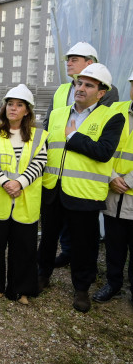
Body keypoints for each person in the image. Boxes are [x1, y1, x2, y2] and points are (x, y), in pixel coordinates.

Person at [38, 63, 124, 313]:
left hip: (84, 194)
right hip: (53, 188)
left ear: (101, 92)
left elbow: (104, 153)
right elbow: (45, 148)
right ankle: (42, 276)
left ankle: (82, 289)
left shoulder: (111, 117)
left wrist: (74, 138)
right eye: (79, 83)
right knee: (48, 239)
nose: (81, 88)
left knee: (84, 245)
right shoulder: (58, 114)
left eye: (89, 85)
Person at [43, 42, 119, 268]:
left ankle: (81, 279)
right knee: (50, 234)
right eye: (79, 83)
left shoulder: (108, 99)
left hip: (84, 183)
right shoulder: (61, 91)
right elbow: (49, 127)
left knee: (84, 238)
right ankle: (53, 265)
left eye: (74, 59)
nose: (69, 62)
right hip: (56, 181)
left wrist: (73, 136)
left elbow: (104, 142)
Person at [0, 84, 48, 305]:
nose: (13, 108)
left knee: (24, 248)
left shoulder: (39, 135)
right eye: (10, 104)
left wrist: (20, 183)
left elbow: (41, 161)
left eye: (19, 105)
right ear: (4, 107)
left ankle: (20, 288)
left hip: (25, 202)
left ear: (27, 110)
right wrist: (6, 182)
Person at [93, 69, 133, 305]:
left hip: (128, 190)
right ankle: (113, 283)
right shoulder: (116, 110)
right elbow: (101, 144)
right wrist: (110, 176)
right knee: (114, 244)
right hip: (113, 190)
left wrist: (128, 181)